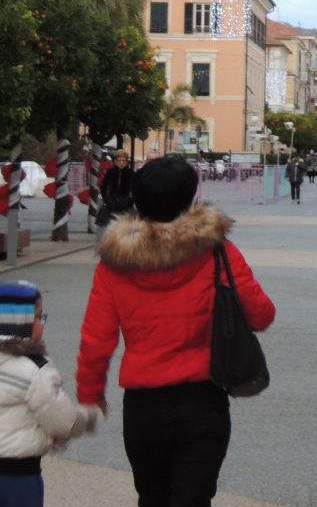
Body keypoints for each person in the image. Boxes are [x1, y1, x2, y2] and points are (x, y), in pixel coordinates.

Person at [76, 155, 276, 506]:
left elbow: (96, 339)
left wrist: (90, 396)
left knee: (152, 497)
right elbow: (261, 315)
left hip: (143, 406)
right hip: (203, 399)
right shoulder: (217, 252)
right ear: (190, 197)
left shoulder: (116, 264)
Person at [0, 281, 102, 506]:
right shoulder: (35, 370)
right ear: (21, 322)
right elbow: (62, 421)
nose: (42, 323)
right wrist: (88, 417)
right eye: (39, 317)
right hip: (18, 475)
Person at [97, 149, 134, 227]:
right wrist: (106, 199)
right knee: (110, 225)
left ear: (127, 162)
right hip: (112, 201)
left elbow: (135, 189)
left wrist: (130, 201)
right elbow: (103, 186)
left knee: (124, 226)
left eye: (123, 160)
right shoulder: (110, 172)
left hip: (125, 202)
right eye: (119, 160)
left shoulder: (131, 173)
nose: (121, 163)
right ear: (115, 161)